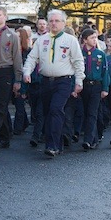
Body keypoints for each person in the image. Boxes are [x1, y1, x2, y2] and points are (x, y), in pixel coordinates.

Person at [23, 9, 85, 157]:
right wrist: (27, 71)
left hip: (63, 81)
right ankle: (55, 141)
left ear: (63, 23)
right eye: (51, 21)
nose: (53, 24)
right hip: (45, 81)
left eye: (57, 21)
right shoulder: (42, 40)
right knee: (47, 112)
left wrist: (79, 80)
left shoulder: (70, 40)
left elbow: (78, 61)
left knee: (56, 109)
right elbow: (32, 58)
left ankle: (53, 145)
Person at [0, 7, 23, 148]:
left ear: (5, 17)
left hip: (5, 71)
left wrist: (18, 79)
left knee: (0, 105)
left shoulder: (12, 36)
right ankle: (5, 135)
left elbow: (17, 58)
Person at [79, 28, 109, 150]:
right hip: (83, 85)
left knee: (92, 112)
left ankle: (88, 139)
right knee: (86, 112)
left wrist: (105, 88)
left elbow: (105, 72)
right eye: (92, 38)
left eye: (95, 37)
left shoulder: (100, 54)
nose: (94, 40)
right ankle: (94, 137)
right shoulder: (80, 53)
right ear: (85, 40)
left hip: (96, 86)